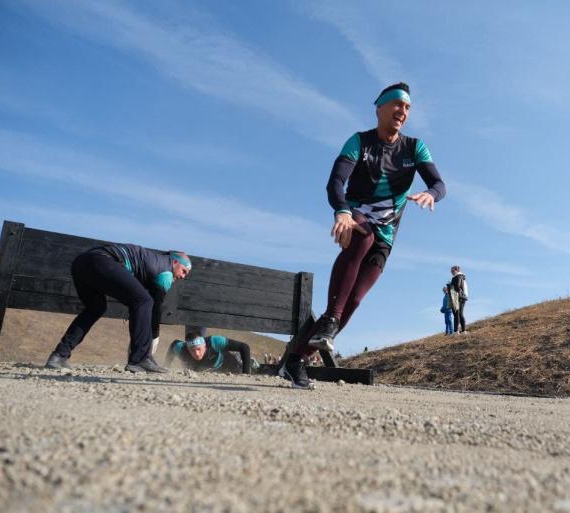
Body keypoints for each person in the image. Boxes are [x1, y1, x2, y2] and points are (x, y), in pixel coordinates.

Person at [279, 82, 446, 389]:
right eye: (397, 104)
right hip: (356, 217)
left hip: (387, 234)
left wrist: (431, 194)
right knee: (363, 237)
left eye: (408, 107)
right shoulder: (359, 142)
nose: (403, 111)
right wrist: (341, 211)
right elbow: (335, 182)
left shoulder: (415, 148)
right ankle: (329, 321)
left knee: (353, 300)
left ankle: (295, 361)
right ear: (380, 108)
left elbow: (439, 184)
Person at [44, 244, 192, 373]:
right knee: (144, 301)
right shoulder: (166, 273)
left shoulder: (153, 260)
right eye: (183, 271)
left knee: (95, 308)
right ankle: (139, 359)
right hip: (103, 261)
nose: (183, 276)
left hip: (81, 263)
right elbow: (154, 310)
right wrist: (154, 338)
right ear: (174, 262)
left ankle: (59, 355)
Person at [165, 331, 251, 374]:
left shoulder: (214, 342)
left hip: (229, 363)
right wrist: (166, 366)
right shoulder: (182, 349)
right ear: (187, 349)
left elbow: (244, 347)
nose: (197, 354)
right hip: (208, 369)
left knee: (252, 368)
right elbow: (173, 345)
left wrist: (246, 374)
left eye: (199, 349)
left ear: (205, 345)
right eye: (192, 350)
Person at [450, 265, 468, 334]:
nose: (451, 272)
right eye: (451, 271)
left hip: (458, 297)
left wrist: (450, 287)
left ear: (456, 270)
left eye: (452, 271)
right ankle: (463, 330)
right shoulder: (462, 276)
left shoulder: (457, 276)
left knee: (456, 314)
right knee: (460, 314)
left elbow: (457, 286)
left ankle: (456, 331)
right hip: (463, 296)